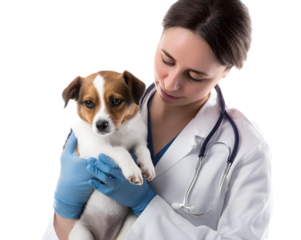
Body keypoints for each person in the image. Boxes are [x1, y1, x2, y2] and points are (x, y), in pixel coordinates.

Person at [43, 0, 272, 239]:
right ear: (160, 37)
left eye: (194, 76)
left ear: (227, 71)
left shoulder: (247, 151)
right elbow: (66, 230)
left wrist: (147, 207)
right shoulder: (107, 104)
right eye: (167, 60)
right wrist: (64, 208)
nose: (171, 83)